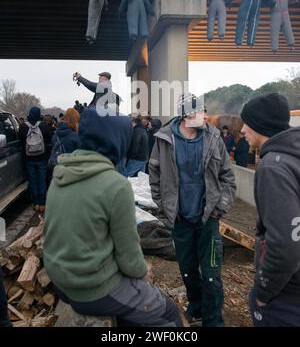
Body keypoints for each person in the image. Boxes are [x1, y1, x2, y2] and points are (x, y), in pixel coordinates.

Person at [43, 107, 183, 327]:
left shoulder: (60, 175)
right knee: (170, 314)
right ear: (117, 140)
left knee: (130, 314)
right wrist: (144, 272)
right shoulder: (115, 185)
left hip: (60, 283)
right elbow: (130, 261)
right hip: (92, 289)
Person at [149, 94, 236, 327]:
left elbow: (228, 177)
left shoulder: (213, 137)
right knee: (187, 269)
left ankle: (213, 320)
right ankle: (196, 306)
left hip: (208, 218)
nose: (207, 116)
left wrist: (220, 207)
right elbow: (154, 174)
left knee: (211, 273)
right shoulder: (164, 140)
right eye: (202, 112)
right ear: (187, 116)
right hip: (180, 219)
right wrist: (164, 205)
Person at [240, 93, 300, 327]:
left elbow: (286, 243)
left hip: (287, 294)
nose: (242, 130)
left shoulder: (273, 167)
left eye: (248, 123)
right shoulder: (293, 157)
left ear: (260, 126)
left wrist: (264, 291)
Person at [19, 106, 52, 213]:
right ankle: (42, 203)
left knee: (33, 181)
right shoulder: (44, 126)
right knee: (41, 180)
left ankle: (36, 203)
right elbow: (48, 141)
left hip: (29, 158)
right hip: (42, 157)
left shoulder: (23, 126)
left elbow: (21, 142)